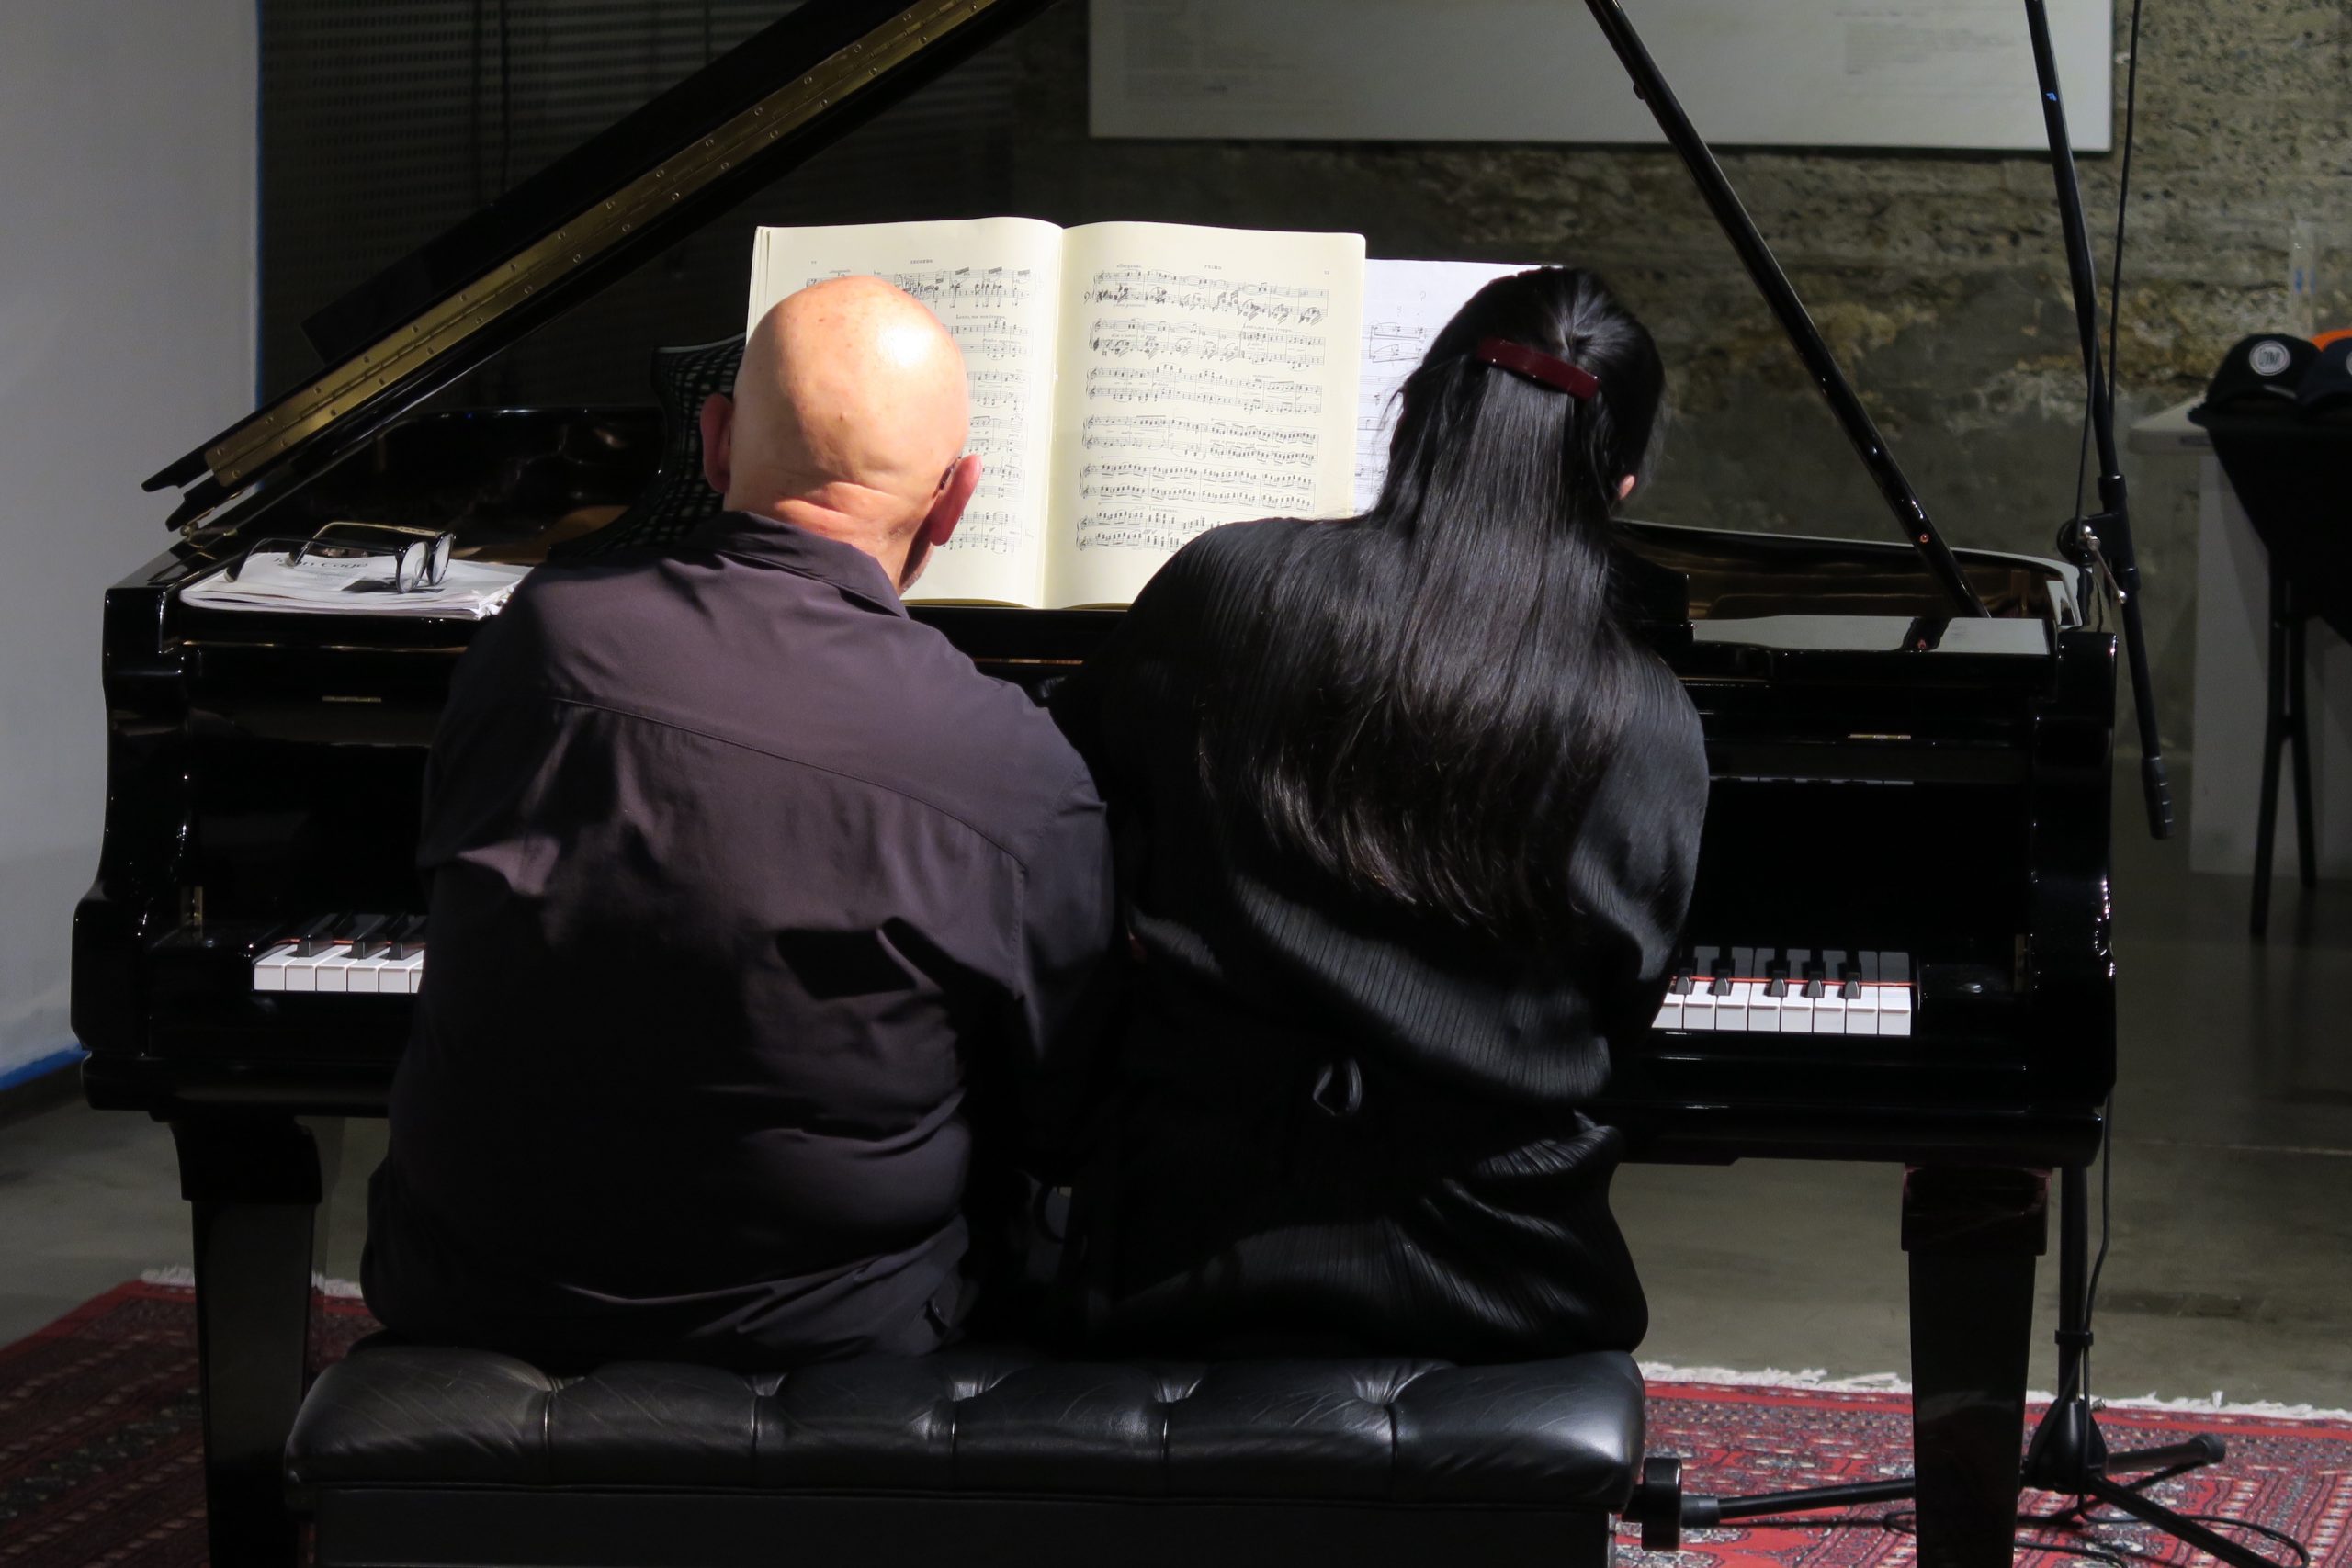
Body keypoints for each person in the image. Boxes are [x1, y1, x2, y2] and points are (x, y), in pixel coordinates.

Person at [364, 277, 1118, 1370]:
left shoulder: (540, 641)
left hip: (471, 1288)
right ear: (955, 502)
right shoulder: (1014, 763)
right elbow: (1063, 1106)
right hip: (831, 1331)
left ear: (714, 442)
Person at [1048, 266, 1707, 1361]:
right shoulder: (1645, 719)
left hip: (1177, 1246)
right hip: (1505, 1278)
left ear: (1411, 416)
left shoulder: (1228, 585)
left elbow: (1061, 809)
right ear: (1621, 486)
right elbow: (1616, 1010)